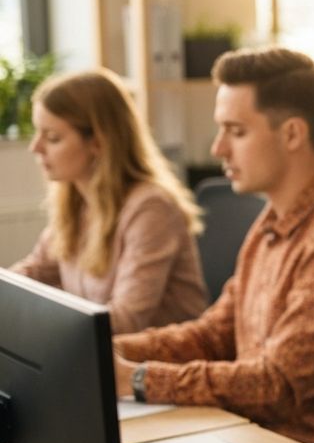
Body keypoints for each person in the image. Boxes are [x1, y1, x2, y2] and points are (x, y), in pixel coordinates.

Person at [113, 47, 314, 443]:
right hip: (256, 440)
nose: (218, 148)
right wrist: (108, 349)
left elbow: (276, 385)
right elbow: (214, 335)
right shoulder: (272, 222)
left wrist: (137, 378)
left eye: (236, 131)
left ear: (292, 134)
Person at [10, 68, 207, 333]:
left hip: (155, 365)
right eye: (38, 133)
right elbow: (32, 273)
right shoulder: (75, 202)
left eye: (52, 137)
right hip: (105, 358)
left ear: (99, 143)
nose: (36, 148)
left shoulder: (151, 208)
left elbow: (125, 321)